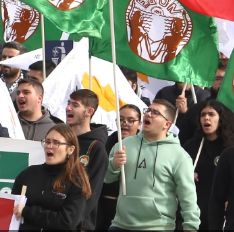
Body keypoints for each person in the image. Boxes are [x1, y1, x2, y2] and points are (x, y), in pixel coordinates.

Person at [106, 100, 200, 231]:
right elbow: (107, 179)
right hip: (120, 225)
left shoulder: (179, 156)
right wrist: (114, 165)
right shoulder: (123, 145)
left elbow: (187, 196)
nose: (148, 114)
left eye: (155, 113)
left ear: (167, 124)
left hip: (158, 227)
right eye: (148, 110)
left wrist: (191, 227)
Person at [12, 124, 92, 230]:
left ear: (70, 149)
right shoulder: (29, 174)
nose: (49, 146)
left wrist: (27, 211)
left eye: (56, 143)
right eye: (47, 142)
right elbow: (13, 209)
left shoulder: (76, 180)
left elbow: (67, 221)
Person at [183, 100, 234, 232]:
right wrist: (186, 175)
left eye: (211, 114)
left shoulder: (232, 148)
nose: (206, 118)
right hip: (195, 212)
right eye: (203, 115)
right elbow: (178, 174)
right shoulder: (191, 146)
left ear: (221, 119)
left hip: (222, 213)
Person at [65, 89, 108, 231]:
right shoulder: (60, 139)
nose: (68, 108)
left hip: (78, 224)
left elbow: (92, 192)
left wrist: (75, 220)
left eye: (75, 105)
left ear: (89, 111)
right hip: (55, 219)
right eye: (68, 103)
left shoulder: (97, 147)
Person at [96, 104, 142, 230]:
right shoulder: (105, 142)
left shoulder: (145, 145)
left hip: (132, 209)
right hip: (104, 205)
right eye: (121, 119)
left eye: (130, 120)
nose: (125, 123)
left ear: (139, 124)